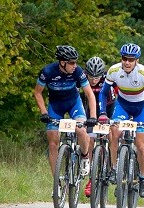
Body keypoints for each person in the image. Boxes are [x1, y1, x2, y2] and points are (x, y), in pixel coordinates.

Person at [97, 43, 144, 198]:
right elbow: (103, 92)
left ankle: (142, 177)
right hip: (122, 106)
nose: (127, 62)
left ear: (136, 61)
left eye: (131, 60)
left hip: (141, 108)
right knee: (114, 131)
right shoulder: (114, 70)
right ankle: (114, 168)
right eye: (124, 59)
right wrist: (102, 112)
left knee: (141, 145)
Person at [33, 45, 97, 185]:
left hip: (74, 104)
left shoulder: (78, 72)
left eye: (76, 62)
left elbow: (89, 94)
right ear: (62, 62)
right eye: (72, 62)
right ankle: (56, 181)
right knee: (52, 143)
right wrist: (43, 112)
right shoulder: (48, 72)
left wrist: (92, 116)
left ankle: (85, 157)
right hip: (55, 106)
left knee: (81, 130)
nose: (75, 65)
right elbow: (37, 93)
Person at [82, 56, 116, 198]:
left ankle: (113, 165)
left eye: (96, 77)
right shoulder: (82, 79)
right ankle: (91, 174)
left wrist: (110, 120)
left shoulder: (108, 80)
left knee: (112, 134)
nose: (94, 80)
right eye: (91, 76)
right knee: (89, 138)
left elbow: (116, 101)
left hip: (108, 109)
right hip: (90, 109)